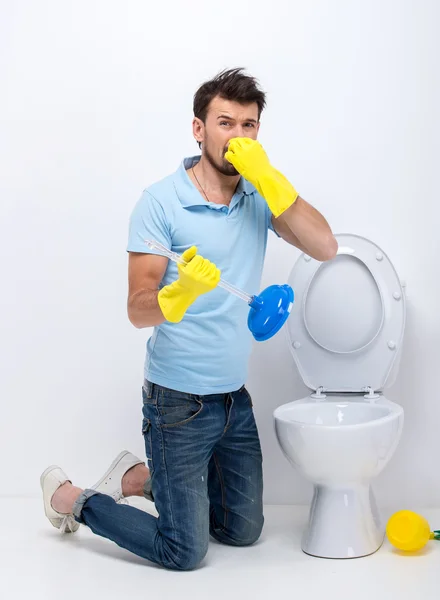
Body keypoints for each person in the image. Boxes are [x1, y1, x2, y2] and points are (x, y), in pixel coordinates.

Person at [40, 68, 338, 570]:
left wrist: (268, 177)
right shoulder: (160, 203)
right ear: (199, 129)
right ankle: (72, 498)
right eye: (226, 123)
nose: (238, 136)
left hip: (233, 399)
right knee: (184, 551)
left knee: (242, 533)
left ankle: (139, 477)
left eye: (250, 126)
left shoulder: (259, 194)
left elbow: (326, 247)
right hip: (177, 402)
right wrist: (178, 296)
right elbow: (137, 309)